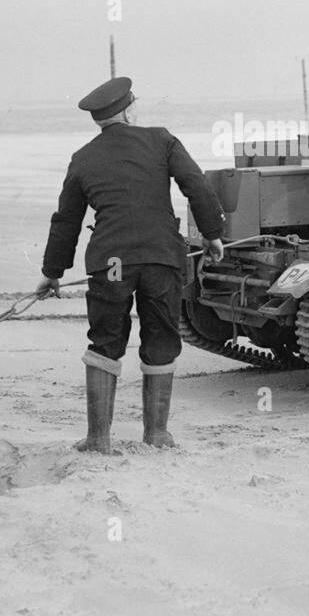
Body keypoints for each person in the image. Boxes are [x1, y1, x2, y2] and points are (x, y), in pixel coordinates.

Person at [36, 77, 226, 454]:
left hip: (112, 263)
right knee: (161, 336)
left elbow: (66, 221)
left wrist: (52, 272)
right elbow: (197, 185)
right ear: (127, 110)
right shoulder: (162, 140)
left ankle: (98, 439)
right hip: (160, 258)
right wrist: (212, 233)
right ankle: (156, 434)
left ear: (99, 119)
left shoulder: (83, 158)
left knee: (105, 340)